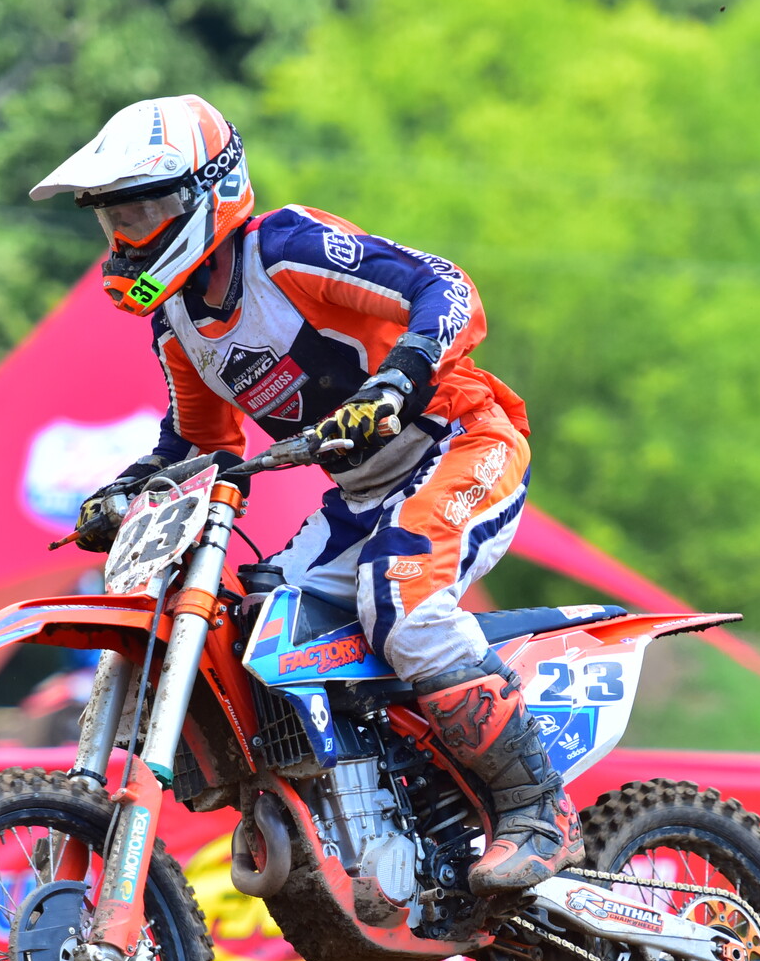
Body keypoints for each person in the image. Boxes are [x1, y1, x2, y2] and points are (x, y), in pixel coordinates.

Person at [34, 96, 578, 892]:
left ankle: (538, 810)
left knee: (399, 594)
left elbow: (446, 287)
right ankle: (385, 798)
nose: (127, 234)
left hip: (462, 441)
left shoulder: (287, 251)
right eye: (114, 217)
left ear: (208, 191)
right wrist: (118, 494)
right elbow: (199, 446)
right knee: (259, 624)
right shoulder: (176, 322)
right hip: (361, 494)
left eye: (143, 210)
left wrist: (397, 379)